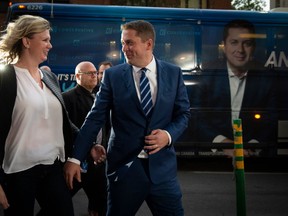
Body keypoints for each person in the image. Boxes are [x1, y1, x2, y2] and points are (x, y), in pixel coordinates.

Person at [64, 20, 190, 216]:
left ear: (148, 44)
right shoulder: (113, 76)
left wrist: (168, 135)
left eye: (129, 43)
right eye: (123, 43)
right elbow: (94, 119)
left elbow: (183, 114)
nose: (124, 48)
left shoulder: (173, 73)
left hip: (163, 172)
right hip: (124, 171)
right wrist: (76, 158)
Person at [0, 15, 77, 215]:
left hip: (52, 166)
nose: (50, 45)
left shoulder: (49, 76)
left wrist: (91, 144)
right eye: (45, 40)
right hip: (17, 171)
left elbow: (63, 121)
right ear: (26, 41)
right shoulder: (5, 78)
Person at [193, 19, 278, 157]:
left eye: (247, 43)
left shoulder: (266, 79)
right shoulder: (206, 76)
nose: (240, 50)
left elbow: (271, 120)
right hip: (213, 155)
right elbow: (196, 118)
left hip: (253, 156)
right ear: (224, 46)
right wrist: (224, 145)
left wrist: (252, 147)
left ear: (254, 47)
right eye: (234, 42)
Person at [62, 61, 107, 216]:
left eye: (96, 72)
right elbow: (67, 128)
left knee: (100, 203)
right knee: (59, 203)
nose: (94, 76)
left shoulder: (98, 96)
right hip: (77, 161)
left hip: (97, 161)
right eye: (90, 73)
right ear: (78, 76)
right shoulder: (67, 98)